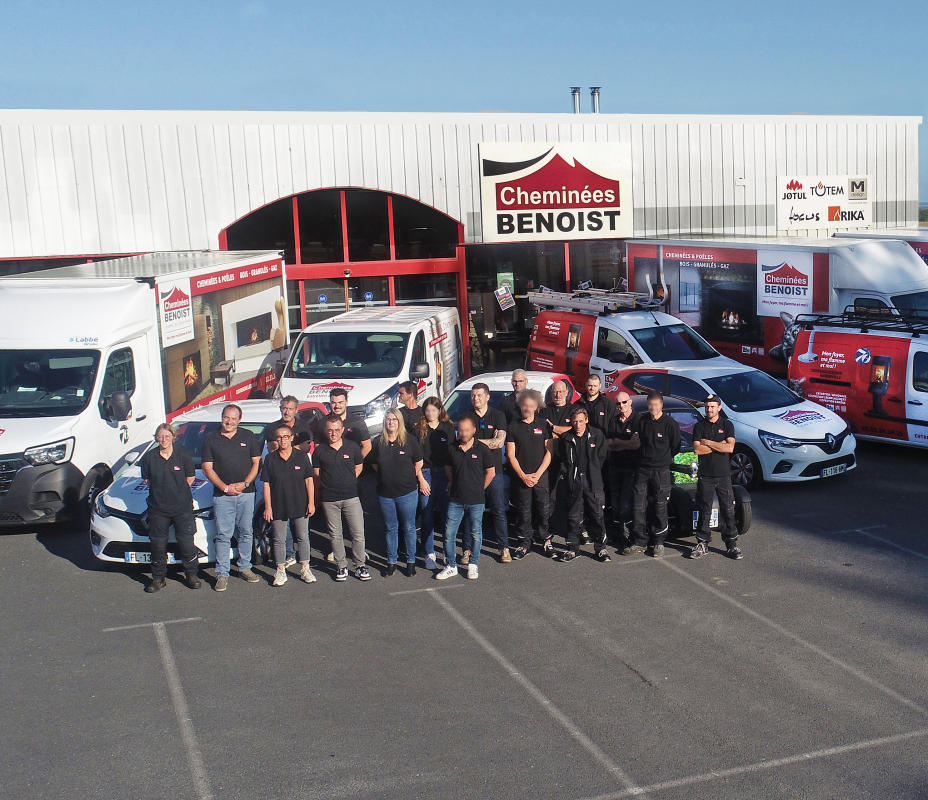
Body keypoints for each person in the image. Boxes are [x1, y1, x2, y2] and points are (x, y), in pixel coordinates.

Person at [201, 404, 263, 591]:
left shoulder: (248, 436)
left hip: (246, 493)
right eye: (226, 417)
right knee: (223, 535)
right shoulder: (210, 439)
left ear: (239, 420)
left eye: (233, 418)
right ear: (222, 417)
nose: (229, 421)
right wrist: (225, 487)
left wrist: (244, 484)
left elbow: (256, 463)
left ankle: (245, 568)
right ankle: (222, 573)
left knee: (246, 532)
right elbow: (207, 468)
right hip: (223, 495)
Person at [140, 423, 199, 593]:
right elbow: (148, 480)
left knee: (187, 542)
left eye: (167, 436)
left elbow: (190, 477)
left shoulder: (183, 455)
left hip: (182, 507)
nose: (163, 439)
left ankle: (192, 575)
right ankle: (158, 579)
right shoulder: (150, 457)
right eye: (160, 436)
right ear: (156, 438)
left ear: (173, 437)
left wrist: (176, 493)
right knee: (158, 545)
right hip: (158, 509)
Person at [313, 414, 371, 581]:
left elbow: (359, 466)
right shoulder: (319, 450)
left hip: (351, 496)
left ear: (342, 430)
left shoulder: (352, 447)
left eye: (337, 430)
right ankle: (341, 566)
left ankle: (360, 565)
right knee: (335, 535)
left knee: (358, 533)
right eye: (330, 430)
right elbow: (317, 472)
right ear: (325, 431)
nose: (334, 433)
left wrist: (349, 480)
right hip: (329, 498)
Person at [370, 409, 427, 577]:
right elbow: (374, 464)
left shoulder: (410, 441)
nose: (391, 422)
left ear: (400, 421)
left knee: (409, 527)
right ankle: (391, 561)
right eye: (388, 419)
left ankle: (410, 562)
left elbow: (418, 463)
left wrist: (407, 477)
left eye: (394, 419)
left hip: (407, 493)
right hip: (385, 494)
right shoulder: (378, 442)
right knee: (390, 528)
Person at [436, 416, 494, 581]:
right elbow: (448, 468)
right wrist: (454, 482)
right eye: (460, 430)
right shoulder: (452, 448)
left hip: (476, 500)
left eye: (466, 430)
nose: (463, 433)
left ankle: (473, 565)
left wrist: (479, 488)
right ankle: (451, 566)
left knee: (476, 533)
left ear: (474, 430)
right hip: (455, 499)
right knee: (448, 534)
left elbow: (491, 472)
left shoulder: (482, 449)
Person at [625, 391, 681, 559]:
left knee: (660, 506)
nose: (653, 408)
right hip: (642, 469)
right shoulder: (642, 422)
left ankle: (658, 542)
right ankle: (640, 541)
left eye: (656, 405)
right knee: (638, 506)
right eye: (650, 404)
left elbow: (676, 446)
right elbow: (637, 443)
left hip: (661, 471)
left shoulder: (670, 424)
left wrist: (663, 459)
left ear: (661, 405)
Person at [261, 395, 314, 567]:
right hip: (279, 480)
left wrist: (291, 449)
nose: (287, 411)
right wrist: (291, 448)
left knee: (301, 531)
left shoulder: (304, 425)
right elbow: (272, 449)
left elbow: (306, 447)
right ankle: (288, 556)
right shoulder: (271, 428)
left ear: (296, 410)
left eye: (290, 408)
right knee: (281, 531)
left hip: (298, 479)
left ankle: (305, 564)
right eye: (284, 408)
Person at [689, 394, 741, 560]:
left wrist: (709, 443)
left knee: (728, 510)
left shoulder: (727, 424)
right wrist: (720, 445)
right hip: (706, 476)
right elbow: (697, 450)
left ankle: (731, 545)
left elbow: (730, 447)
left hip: (723, 475)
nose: (709, 409)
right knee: (704, 509)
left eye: (712, 406)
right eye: (707, 406)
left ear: (719, 408)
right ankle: (702, 543)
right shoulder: (699, 426)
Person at [464, 383, 510, 563]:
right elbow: (464, 440)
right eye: (473, 395)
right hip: (472, 473)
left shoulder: (498, 416)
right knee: (470, 512)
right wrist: (488, 440)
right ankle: (467, 549)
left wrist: (475, 441)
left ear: (487, 397)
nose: (476, 398)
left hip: (495, 472)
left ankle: (504, 547)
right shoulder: (466, 416)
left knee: (498, 511)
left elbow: (499, 443)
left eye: (479, 395)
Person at [558, 407, 610, 563]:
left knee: (597, 515)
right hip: (574, 481)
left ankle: (601, 548)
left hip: (592, 481)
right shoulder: (566, 438)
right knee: (573, 517)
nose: (578, 425)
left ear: (586, 420)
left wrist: (592, 473)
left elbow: (601, 457)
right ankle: (573, 548)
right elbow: (563, 458)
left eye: (580, 421)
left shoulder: (596, 435)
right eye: (574, 422)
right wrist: (569, 475)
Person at [506, 389, 553, 559]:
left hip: (540, 476)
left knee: (543, 509)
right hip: (521, 478)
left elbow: (549, 452)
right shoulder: (512, 426)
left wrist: (538, 474)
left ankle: (546, 540)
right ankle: (524, 543)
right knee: (524, 512)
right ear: (520, 406)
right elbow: (510, 454)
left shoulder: (544, 425)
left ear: (536, 407)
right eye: (524, 405)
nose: (527, 408)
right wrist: (523, 476)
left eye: (530, 406)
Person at [416, 397, 454, 570]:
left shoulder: (448, 428)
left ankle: (448, 552)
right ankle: (429, 552)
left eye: (434, 410)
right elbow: (415, 459)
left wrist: (451, 478)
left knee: (447, 516)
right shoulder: (418, 430)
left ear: (440, 410)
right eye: (427, 410)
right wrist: (421, 479)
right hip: (426, 474)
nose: (430, 413)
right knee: (427, 515)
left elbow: (452, 455)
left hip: (445, 473)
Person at [606, 392, 640, 546]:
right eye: (618, 404)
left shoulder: (638, 420)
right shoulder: (613, 421)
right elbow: (608, 445)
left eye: (624, 402)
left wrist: (617, 442)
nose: (621, 406)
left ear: (630, 402)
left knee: (626, 502)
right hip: (614, 466)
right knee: (615, 500)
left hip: (631, 467)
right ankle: (617, 532)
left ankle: (628, 533)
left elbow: (636, 445)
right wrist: (626, 443)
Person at [327, 387, 372, 458]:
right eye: (333, 403)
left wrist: (356, 464)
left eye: (340, 402)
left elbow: (367, 446)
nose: (337, 406)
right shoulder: (323, 422)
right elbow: (318, 449)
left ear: (346, 403)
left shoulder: (357, 421)